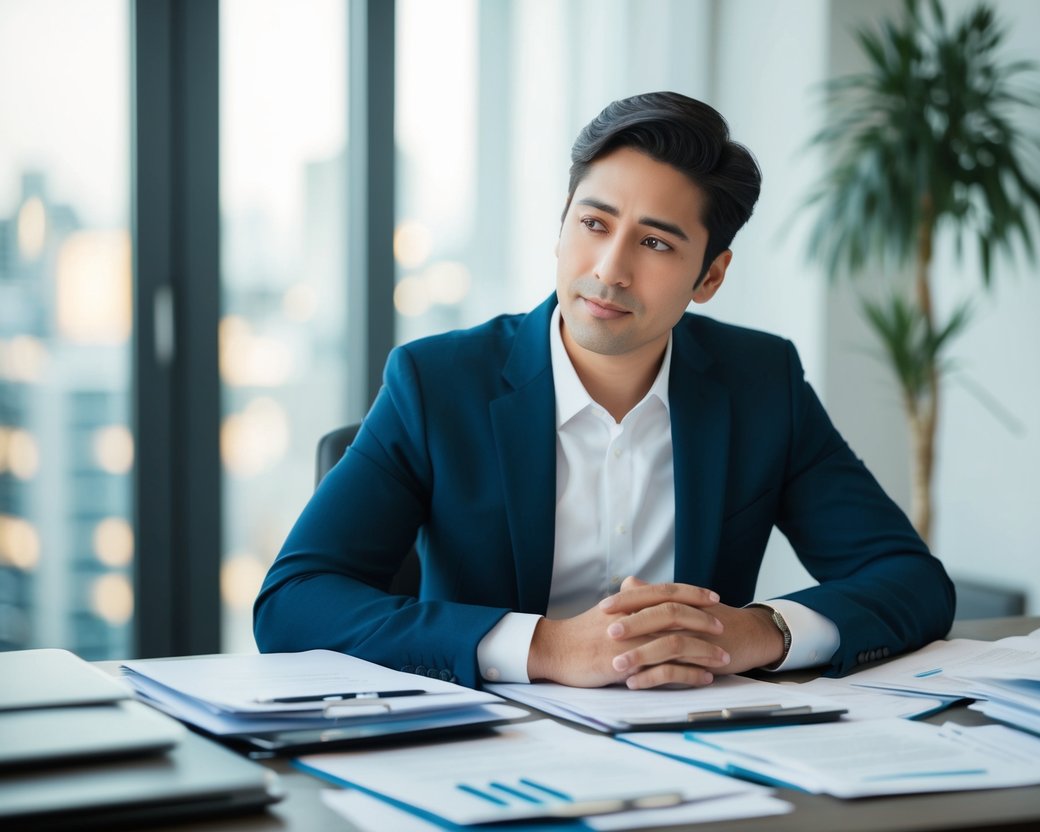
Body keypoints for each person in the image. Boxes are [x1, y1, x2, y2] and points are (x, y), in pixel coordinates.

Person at [254, 91, 955, 691]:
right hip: (484, 752)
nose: (610, 270)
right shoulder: (435, 383)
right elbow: (294, 602)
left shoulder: (760, 382)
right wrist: (547, 648)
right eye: (593, 224)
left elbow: (909, 579)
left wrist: (755, 631)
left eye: (654, 244)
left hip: (697, 749)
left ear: (708, 277)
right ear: (561, 227)